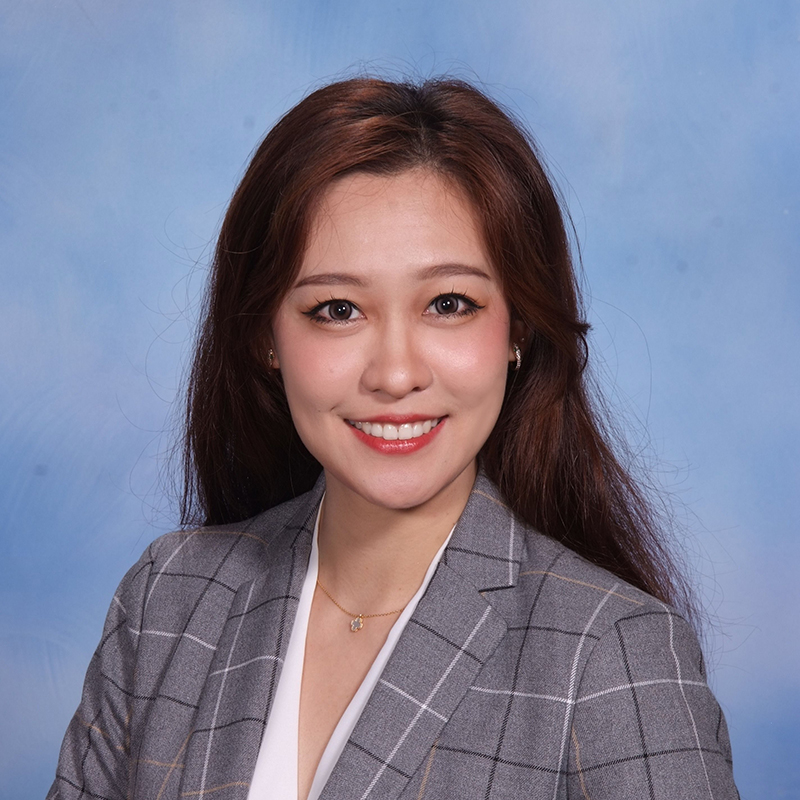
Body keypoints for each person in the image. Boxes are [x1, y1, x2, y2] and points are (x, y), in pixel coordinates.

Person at [48, 77, 739, 800]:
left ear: (519, 329)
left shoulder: (614, 655)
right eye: (338, 309)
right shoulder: (169, 602)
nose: (396, 373)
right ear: (265, 336)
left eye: (449, 304)